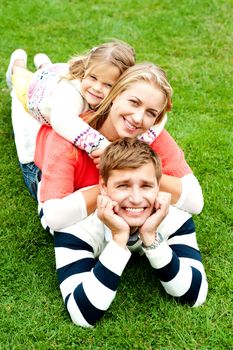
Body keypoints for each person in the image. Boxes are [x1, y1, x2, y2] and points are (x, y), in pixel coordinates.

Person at [9, 62, 203, 224]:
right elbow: (53, 218)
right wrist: (120, 185)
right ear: (114, 96)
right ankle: (18, 65)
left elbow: (195, 202)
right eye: (134, 102)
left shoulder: (150, 135)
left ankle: (45, 64)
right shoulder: (68, 134)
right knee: (23, 98)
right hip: (38, 156)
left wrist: (133, 171)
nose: (138, 118)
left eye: (151, 113)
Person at [52, 138, 208, 327]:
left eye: (146, 186)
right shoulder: (75, 225)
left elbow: (195, 295)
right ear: (103, 186)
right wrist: (118, 240)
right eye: (123, 185)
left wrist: (151, 238)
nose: (135, 199)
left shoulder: (174, 216)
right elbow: (82, 314)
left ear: (159, 186)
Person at [6, 41, 166, 161]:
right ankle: (17, 65)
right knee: (21, 81)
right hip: (38, 91)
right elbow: (62, 119)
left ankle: (44, 64)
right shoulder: (70, 93)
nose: (97, 88)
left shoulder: (118, 96)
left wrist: (142, 141)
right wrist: (101, 145)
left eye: (108, 84)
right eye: (93, 78)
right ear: (85, 70)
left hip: (58, 75)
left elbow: (160, 116)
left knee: (50, 70)